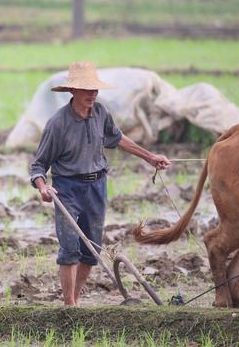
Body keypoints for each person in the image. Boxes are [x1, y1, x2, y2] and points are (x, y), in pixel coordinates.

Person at [30, 62, 171, 306]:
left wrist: (150, 157)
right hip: (67, 189)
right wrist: (43, 187)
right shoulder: (58, 124)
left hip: (97, 187)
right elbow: (38, 166)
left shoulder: (101, 113)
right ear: (73, 91)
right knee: (70, 249)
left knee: (91, 251)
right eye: (86, 89)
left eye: (95, 89)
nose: (92, 94)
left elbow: (117, 138)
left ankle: (74, 298)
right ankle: (69, 306)